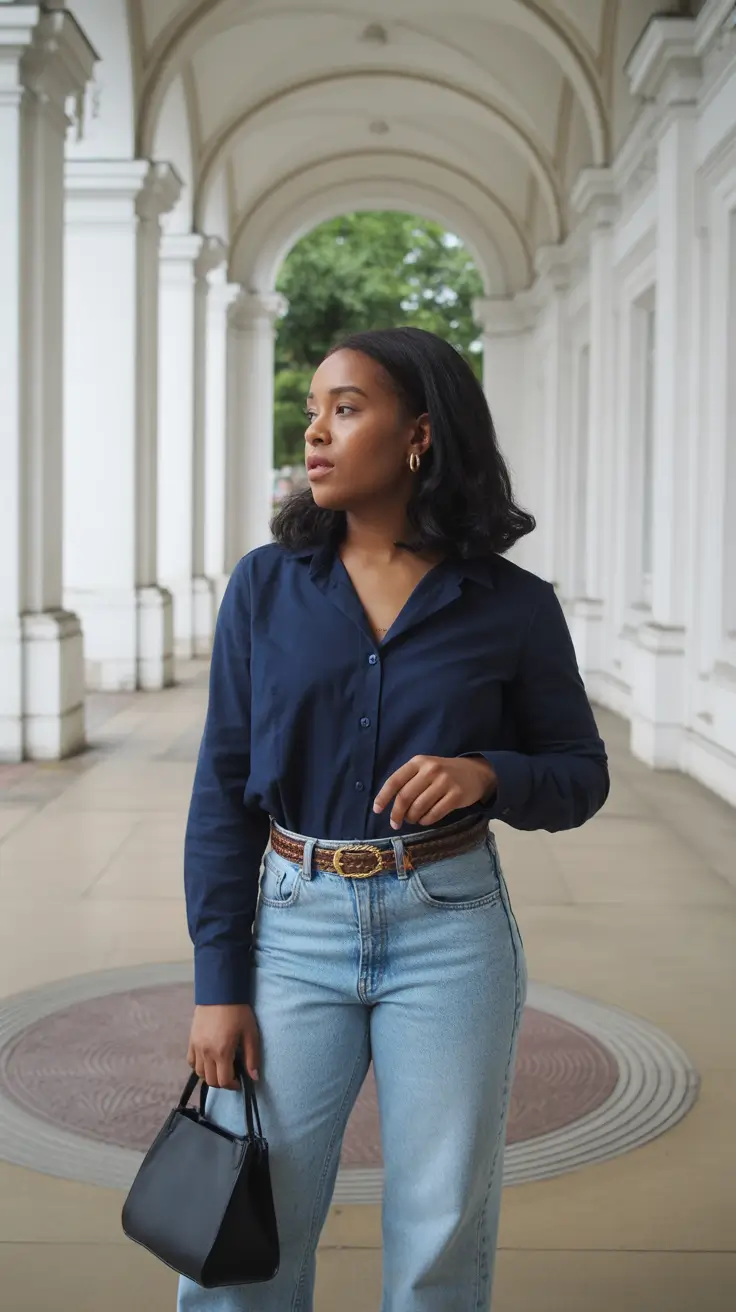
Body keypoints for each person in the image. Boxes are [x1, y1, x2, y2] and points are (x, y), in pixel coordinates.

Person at [180, 327, 609, 1311]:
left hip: (449, 929)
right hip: (292, 926)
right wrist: (217, 981)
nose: (314, 432)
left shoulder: (513, 605)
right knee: (245, 1223)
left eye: (345, 407)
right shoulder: (264, 587)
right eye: (312, 411)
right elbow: (222, 792)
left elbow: (578, 776)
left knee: (437, 1229)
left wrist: (485, 772)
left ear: (419, 435)